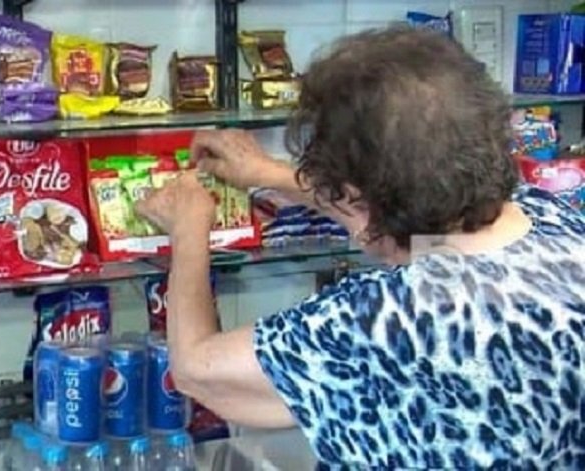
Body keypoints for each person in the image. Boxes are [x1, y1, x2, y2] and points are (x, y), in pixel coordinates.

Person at [137, 26, 585, 468]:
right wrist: (270, 174)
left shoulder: (382, 320)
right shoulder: (555, 218)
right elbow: (425, 225)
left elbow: (198, 370)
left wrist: (188, 230)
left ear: (357, 196)